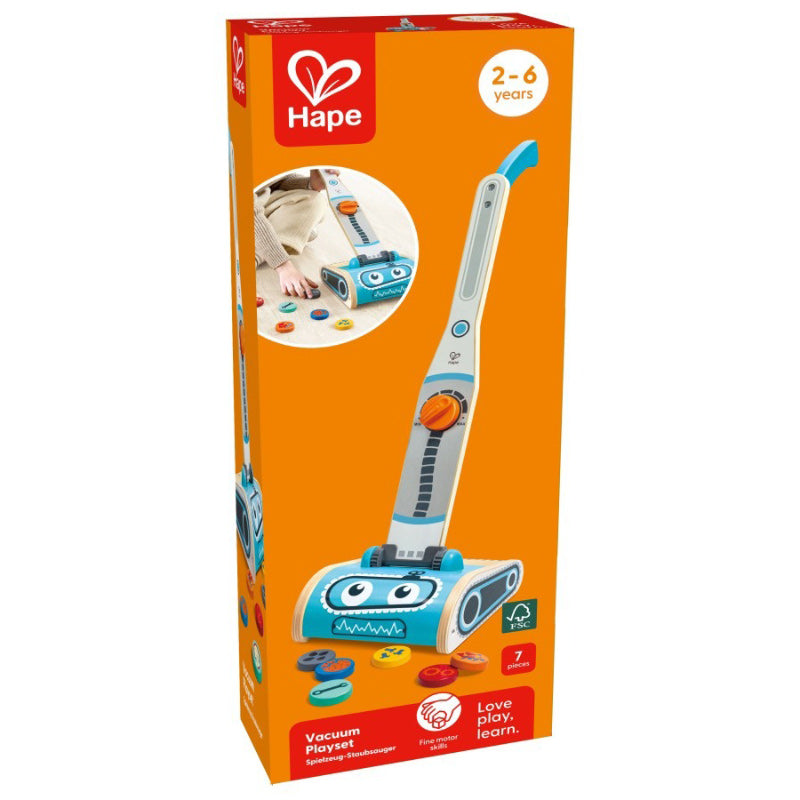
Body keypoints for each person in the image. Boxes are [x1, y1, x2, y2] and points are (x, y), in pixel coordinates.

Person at [253, 169, 338, 298]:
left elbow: (275, 181)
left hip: (260, 201)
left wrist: (311, 184)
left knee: (315, 200)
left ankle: (273, 241)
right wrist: (283, 266)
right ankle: (254, 254)